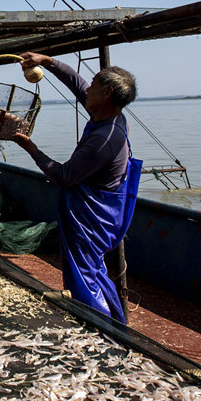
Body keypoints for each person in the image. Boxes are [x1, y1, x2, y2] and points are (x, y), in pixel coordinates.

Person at [10, 52, 143, 325]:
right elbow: (74, 82)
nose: (87, 88)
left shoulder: (106, 138)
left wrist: (31, 148)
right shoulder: (106, 112)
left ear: (106, 93)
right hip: (91, 207)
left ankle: (101, 328)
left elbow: (64, 176)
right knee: (93, 269)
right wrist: (46, 60)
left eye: (93, 84)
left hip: (95, 215)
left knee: (83, 274)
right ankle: (117, 322)